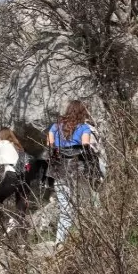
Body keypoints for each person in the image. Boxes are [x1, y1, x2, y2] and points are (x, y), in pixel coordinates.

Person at [47, 100, 95, 244]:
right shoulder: (84, 128)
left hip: (59, 170)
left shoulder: (55, 127)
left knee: (65, 209)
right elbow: (86, 146)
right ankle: (78, 242)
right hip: (77, 169)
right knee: (83, 206)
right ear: (82, 112)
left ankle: (59, 243)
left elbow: (49, 145)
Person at [0, 127, 28, 231]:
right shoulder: (18, 147)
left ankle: (7, 221)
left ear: (1, 135)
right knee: (20, 205)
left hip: (12, 175)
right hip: (24, 177)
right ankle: (18, 232)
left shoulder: (1, 144)